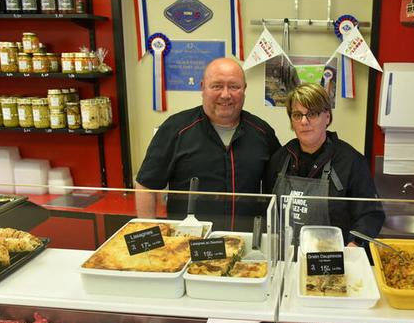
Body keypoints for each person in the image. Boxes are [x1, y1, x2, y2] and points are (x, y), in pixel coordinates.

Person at [135, 57, 281, 229]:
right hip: (188, 243)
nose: (226, 94)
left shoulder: (262, 133)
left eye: (234, 86)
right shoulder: (175, 129)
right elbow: (146, 185)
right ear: (202, 87)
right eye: (217, 86)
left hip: (247, 242)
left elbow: (279, 188)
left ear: (244, 90)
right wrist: (149, 234)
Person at [264, 83, 384, 246]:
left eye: (312, 114)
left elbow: (371, 214)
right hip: (285, 257)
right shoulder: (279, 159)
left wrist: (354, 245)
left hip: (332, 259)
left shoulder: (351, 161)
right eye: (297, 115)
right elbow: (267, 208)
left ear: (327, 116)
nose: (304, 122)